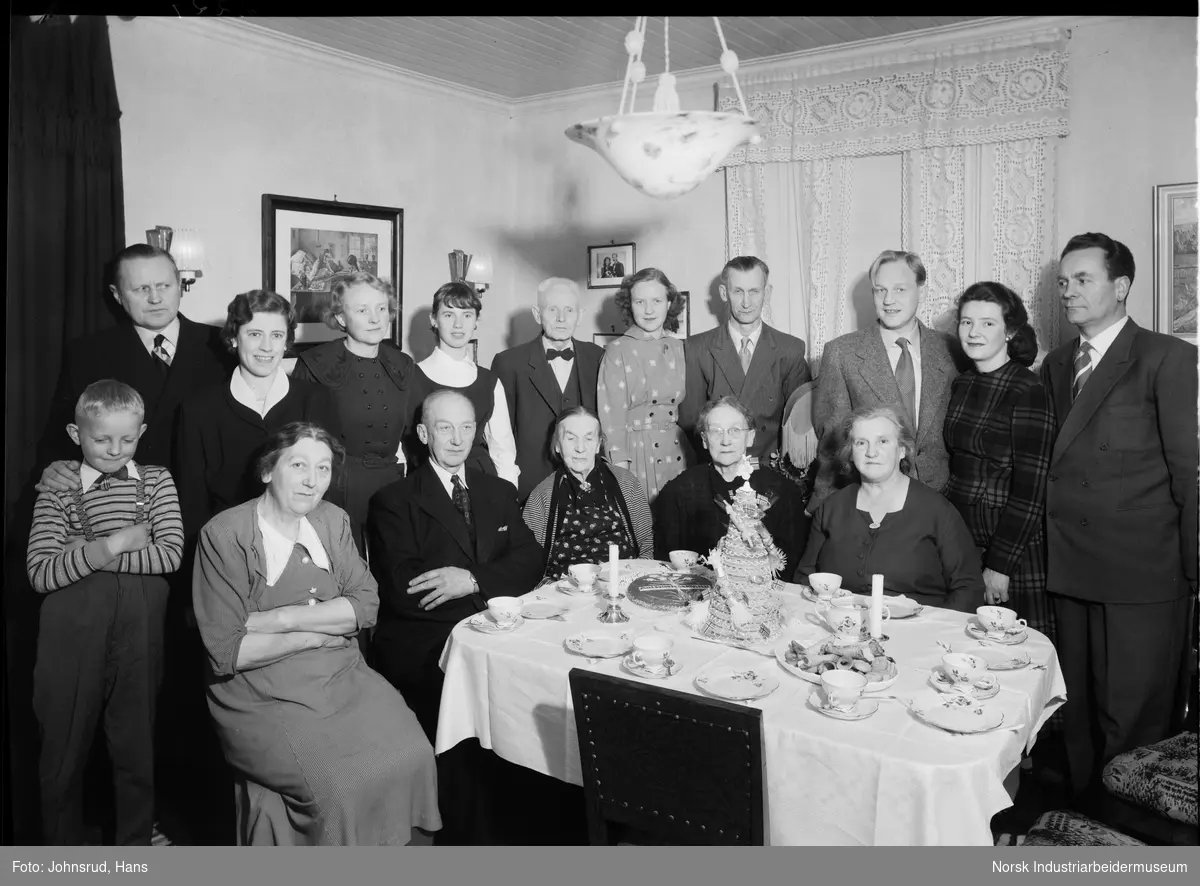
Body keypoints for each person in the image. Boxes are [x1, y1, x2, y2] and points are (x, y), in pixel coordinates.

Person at [192, 422, 440, 845]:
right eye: (300, 465)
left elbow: (365, 606)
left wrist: (282, 619)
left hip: (342, 675)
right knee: (340, 787)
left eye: (323, 469)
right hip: (259, 693)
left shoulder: (331, 520)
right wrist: (316, 633)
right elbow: (228, 650)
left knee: (415, 754)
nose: (313, 481)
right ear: (268, 471)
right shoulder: (225, 534)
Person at [1040, 232, 1198, 805]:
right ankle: (1084, 832)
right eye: (1063, 281)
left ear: (1121, 286)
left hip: (1144, 574)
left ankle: (1131, 844)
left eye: (1082, 279)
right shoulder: (1058, 364)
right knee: (1078, 712)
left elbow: (1188, 472)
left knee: (1132, 723)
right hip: (1072, 566)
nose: (1067, 291)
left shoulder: (1168, 357)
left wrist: (1192, 571)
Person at [26, 380, 184, 846]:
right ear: (76, 434)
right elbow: (40, 572)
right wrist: (117, 542)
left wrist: (90, 552)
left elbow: (170, 555)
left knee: (136, 744)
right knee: (63, 745)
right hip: (71, 632)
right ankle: (59, 855)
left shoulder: (156, 481)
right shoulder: (57, 489)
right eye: (101, 439)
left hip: (141, 630)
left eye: (127, 439)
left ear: (142, 432)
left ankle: (134, 846)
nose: (115, 450)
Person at [369, 390, 543, 740]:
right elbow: (406, 590)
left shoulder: (497, 490)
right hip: (427, 641)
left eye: (466, 427)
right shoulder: (393, 500)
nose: (457, 439)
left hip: (498, 630)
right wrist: (496, 582)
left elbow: (531, 559)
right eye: (445, 428)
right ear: (423, 434)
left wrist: (473, 579)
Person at [33, 243, 234, 495]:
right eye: (141, 289)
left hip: (205, 501)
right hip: (124, 501)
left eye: (164, 286)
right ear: (117, 295)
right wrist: (53, 468)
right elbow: (61, 431)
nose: (155, 298)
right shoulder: (87, 352)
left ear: (180, 286)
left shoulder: (224, 345)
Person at [177, 290, 338, 543]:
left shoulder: (316, 400)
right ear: (233, 338)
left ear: (286, 342)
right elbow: (192, 501)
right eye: (254, 334)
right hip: (227, 544)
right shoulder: (199, 409)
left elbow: (328, 489)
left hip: (301, 543)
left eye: (276, 335)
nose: (266, 346)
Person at [943, 282, 1055, 639]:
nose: (974, 332)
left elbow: (1031, 489)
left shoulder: (1028, 390)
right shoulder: (961, 384)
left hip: (1008, 548)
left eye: (988, 323)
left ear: (1010, 331)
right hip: (963, 540)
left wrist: (1000, 566)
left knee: (1009, 656)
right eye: (966, 322)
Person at [810, 249, 962, 511]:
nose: (889, 300)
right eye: (880, 290)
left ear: (922, 292)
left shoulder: (951, 350)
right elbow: (832, 443)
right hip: (870, 502)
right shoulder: (842, 353)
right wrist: (824, 507)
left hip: (942, 500)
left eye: (900, 289)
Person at [795, 405, 984, 611]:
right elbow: (805, 579)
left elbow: (968, 589)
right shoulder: (832, 507)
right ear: (850, 453)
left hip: (920, 633)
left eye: (882, 441)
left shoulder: (937, 510)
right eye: (861, 443)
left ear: (902, 450)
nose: (871, 452)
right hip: (844, 629)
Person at [291, 272, 414, 552]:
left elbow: (413, 437)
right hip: (335, 490)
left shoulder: (403, 365)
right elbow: (297, 444)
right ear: (342, 318)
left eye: (381, 309)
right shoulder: (315, 365)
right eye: (362, 310)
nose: (375, 318)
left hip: (392, 488)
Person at [681, 256, 811, 463]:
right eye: (738, 291)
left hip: (770, 468)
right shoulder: (697, 348)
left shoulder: (790, 349)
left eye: (754, 291)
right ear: (724, 293)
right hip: (716, 467)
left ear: (767, 293)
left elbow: (798, 424)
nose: (746, 302)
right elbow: (691, 421)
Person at [656, 396, 809, 570]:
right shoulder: (678, 491)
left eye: (735, 430)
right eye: (716, 431)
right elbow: (668, 562)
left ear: (750, 437)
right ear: (705, 440)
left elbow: (792, 563)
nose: (726, 440)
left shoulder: (783, 491)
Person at [492, 277, 604, 502]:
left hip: (588, 483)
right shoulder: (508, 363)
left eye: (569, 310)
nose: (561, 318)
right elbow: (500, 436)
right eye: (552, 309)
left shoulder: (598, 357)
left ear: (579, 315)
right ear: (537, 314)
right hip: (531, 487)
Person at [407, 282, 520, 488]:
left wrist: (508, 499)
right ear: (434, 320)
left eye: (467, 315)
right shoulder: (411, 377)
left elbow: (503, 450)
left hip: (479, 482)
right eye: (449, 315)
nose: (458, 325)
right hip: (425, 483)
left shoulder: (490, 382)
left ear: (476, 321)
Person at [522, 407, 653, 580]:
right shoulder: (541, 496)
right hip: (565, 593)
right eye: (570, 438)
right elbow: (527, 562)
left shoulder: (626, 482)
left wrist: (639, 580)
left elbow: (647, 545)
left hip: (623, 583)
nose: (580, 448)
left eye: (588, 438)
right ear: (557, 445)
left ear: (598, 444)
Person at [597, 268, 693, 502]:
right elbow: (612, 422)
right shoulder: (617, 350)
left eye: (657, 301)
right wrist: (621, 475)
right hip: (636, 454)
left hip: (677, 451)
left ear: (669, 303)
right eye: (640, 302)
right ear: (629, 305)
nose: (649, 310)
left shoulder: (680, 348)